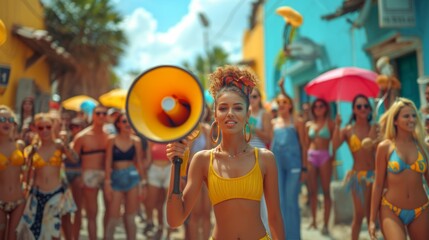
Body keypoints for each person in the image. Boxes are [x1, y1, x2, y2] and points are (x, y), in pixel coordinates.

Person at [166, 65, 284, 239]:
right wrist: (176, 165)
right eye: (222, 108)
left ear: (248, 113)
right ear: (215, 114)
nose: (230, 114)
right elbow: (175, 220)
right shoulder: (202, 160)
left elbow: (274, 218)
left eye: (237, 108)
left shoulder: (266, 159)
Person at [369, 98, 429, 240]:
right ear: (395, 121)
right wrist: (372, 220)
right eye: (406, 116)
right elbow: (378, 185)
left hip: (421, 209)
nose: (412, 119)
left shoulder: (422, 146)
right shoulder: (385, 147)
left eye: (414, 115)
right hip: (391, 209)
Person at [17, 112, 78, 239]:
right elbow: (26, 174)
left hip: (57, 194)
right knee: (36, 233)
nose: (45, 130)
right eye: (41, 127)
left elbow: (75, 159)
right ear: (35, 129)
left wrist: (65, 143)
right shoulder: (32, 150)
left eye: (48, 127)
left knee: (54, 231)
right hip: (37, 195)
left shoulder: (59, 145)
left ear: (53, 127)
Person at [332, 94, 379, 240]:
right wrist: (337, 125)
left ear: (370, 109)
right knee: (359, 215)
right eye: (359, 106)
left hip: (375, 176)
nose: (363, 108)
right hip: (357, 177)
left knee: (375, 215)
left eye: (366, 106)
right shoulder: (347, 130)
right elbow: (334, 146)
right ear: (353, 110)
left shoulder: (376, 128)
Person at [270, 78, 307, 240]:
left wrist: (304, 168)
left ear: (290, 105)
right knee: (280, 202)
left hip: (294, 166)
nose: (282, 104)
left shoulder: (296, 122)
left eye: (285, 102)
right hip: (278, 166)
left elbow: (304, 146)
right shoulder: (273, 123)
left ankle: (294, 237)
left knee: (291, 201)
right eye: (279, 102)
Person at [104, 112, 145, 240]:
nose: (127, 124)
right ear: (118, 124)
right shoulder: (112, 139)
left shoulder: (136, 141)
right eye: (124, 121)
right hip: (116, 178)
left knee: (130, 216)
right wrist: (107, 182)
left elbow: (139, 162)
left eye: (129, 121)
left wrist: (143, 184)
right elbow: (108, 161)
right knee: (113, 216)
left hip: (132, 177)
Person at [72, 105, 110, 240]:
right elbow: (73, 159)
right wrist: (80, 176)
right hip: (88, 175)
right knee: (92, 213)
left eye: (104, 113)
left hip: (106, 175)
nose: (101, 116)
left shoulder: (110, 136)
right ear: (93, 115)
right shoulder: (82, 137)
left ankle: (106, 237)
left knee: (110, 211)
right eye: (98, 113)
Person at [304, 98, 335, 234]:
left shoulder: (331, 123)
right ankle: (314, 221)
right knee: (312, 191)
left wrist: (339, 126)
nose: (318, 108)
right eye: (315, 106)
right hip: (311, 156)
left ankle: (326, 225)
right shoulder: (309, 124)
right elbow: (305, 144)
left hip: (324, 157)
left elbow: (335, 142)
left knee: (327, 191)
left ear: (326, 108)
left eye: (321, 106)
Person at [185, 104, 213, 240]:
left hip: (207, 173)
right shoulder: (187, 130)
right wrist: (191, 139)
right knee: (194, 214)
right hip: (192, 172)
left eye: (203, 110)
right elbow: (187, 157)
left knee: (207, 213)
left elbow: (210, 152)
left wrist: (207, 135)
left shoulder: (207, 129)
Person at [0, 106, 25, 240]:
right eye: (2, 119)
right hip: (0, 201)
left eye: (10, 120)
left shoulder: (19, 145)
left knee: (12, 237)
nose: (7, 122)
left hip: (18, 201)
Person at [144, 141, 172, 238]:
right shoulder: (152, 138)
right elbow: (148, 159)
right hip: (154, 170)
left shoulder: (174, 136)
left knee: (169, 202)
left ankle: (168, 231)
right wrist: (143, 177)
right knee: (153, 202)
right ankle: (156, 226)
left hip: (169, 169)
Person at [63, 117, 86, 240]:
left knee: (77, 208)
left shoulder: (83, 139)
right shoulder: (65, 139)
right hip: (65, 174)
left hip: (78, 174)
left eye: (78, 126)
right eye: (72, 127)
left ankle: (75, 237)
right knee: (65, 209)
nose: (75, 129)